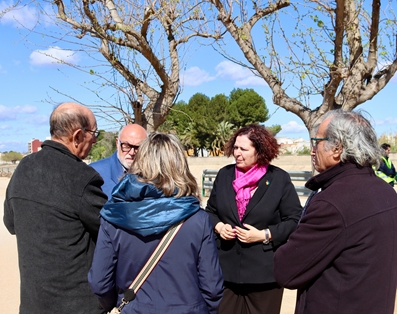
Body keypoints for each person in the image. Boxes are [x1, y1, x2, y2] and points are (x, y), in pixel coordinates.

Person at [274, 110, 397, 314]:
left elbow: (285, 271)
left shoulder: (333, 203)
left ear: (337, 148)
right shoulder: (386, 192)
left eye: (317, 142)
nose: (312, 151)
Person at [88, 133, 224, 314]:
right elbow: (212, 285)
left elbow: (99, 281)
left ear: (140, 161)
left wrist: (119, 304)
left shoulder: (114, 216)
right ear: (179, 164)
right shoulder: (197, 219)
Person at [3, 102, 108, 314]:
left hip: (33, 304)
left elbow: (10, 223)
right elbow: (110, 230)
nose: (95, 140)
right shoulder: (82, 177)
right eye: (94, 133)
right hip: (78, 305)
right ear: (78, 135)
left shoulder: (23, 168)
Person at [205, 124, 302, 314]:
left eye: (243, 149)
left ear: (260, 151)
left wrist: (264, 235)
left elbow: (294, 219)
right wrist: (218, 226)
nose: (237, 153)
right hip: (226, 273)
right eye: (235, 147)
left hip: (264, 276)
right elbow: (209, 211)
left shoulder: (279, 179)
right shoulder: (224, 175)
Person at [90, 124, 148, 199]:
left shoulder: (153, 175)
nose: (132, 152)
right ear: (117, 143)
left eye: (138, 147)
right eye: (126, 146)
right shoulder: (95, 172)